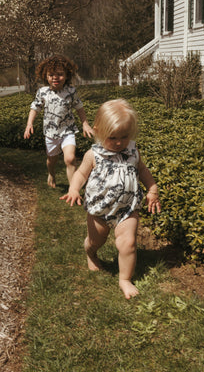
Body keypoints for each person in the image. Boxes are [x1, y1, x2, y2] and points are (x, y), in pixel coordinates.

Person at [60, 99, 161, 299]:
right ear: (98, 131)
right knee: (96, 240)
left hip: (128, 208)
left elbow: (143, 171)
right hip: (100, 209)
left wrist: (152, 189)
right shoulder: (94, 154)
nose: (118, 142)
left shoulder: (132, 151)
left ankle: (125, 279)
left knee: (128, 243)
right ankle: (91, 252)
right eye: (112, 137)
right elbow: (80, 174)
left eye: (124, 136)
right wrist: (73, 189)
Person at [24, 55, 94, 187]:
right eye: (51, 75)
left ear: (67, 75)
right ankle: (51, 174)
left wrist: (85, 124)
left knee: (70, 159)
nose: (55, 77)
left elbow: (79, 107)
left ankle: (73, 190)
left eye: (60, 74)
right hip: (51, 133)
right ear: (46, 76)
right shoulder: (42, 92)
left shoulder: (71, 91)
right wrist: (29, 124)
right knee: (52, 160)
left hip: (68, 131)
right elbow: (35, 108)